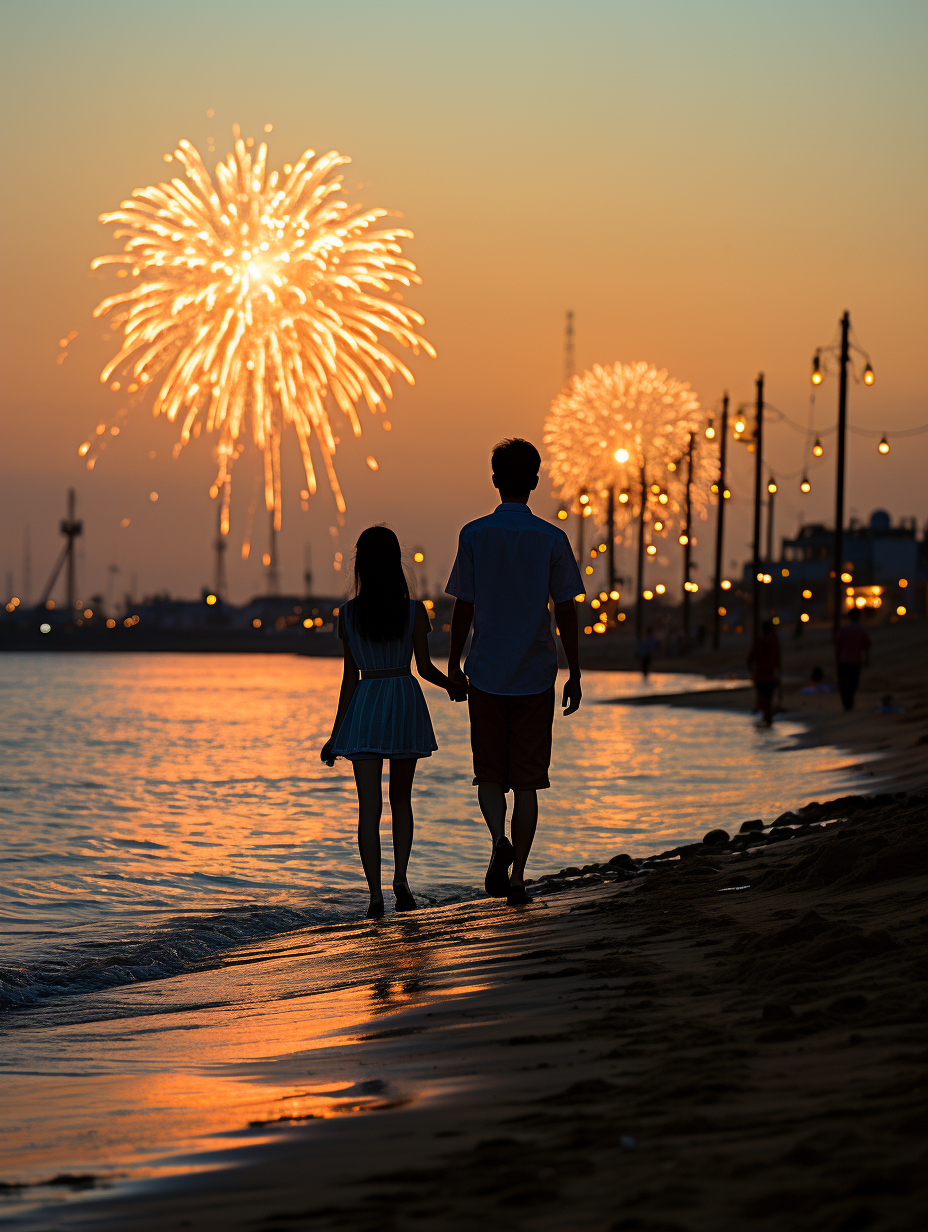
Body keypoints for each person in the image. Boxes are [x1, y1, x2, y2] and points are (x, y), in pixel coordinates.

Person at [446, 438, 584, 906]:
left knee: (488, 774)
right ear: (536, 481)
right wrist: (576, 672)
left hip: (485, 671)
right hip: (536, 673)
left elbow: (464, 605)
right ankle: (520, 876)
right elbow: (566, 611)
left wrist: (453, 664)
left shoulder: (473, 534)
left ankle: (496, 840)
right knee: (528, 781)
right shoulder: (552, 539)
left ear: (494, 480)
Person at [321, 526, 465, 919]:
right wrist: (453, 686)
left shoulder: (348, 614)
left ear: (361, 565)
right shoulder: (414, 611)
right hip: (403, 699)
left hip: (366, 704)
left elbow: (350, 677)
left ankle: (374, 896)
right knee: (402, 800)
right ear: (396, 562)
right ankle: (401, 878)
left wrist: (335, 736)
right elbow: (424, 667)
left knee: (368, 807)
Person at [834, 607, 871, 711]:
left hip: (843, 660)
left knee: (843, 683)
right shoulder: (861, 630)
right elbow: (867, 646)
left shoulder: (844, 629)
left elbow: (838, 645)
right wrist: (867, 659)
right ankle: (849, 702)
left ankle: (846, 703)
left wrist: (837, 660)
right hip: (855, 661)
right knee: (853, 683)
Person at [748, 618, 781, 727]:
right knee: (767, 701)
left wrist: (752, 672)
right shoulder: (772, 642)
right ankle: (767, 720)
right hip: (767, 676)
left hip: (762, 676)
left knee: (764, 700)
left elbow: (750, 658)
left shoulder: (760, 642)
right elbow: (777, 660)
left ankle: (765, 719)